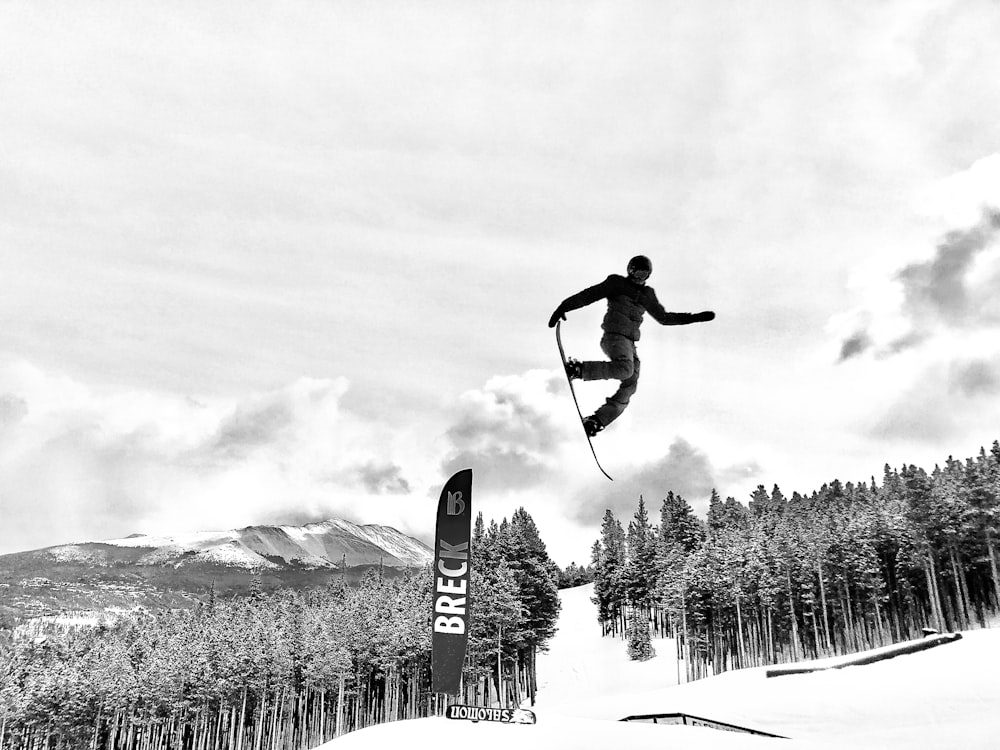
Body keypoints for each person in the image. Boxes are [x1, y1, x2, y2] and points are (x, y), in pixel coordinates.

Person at [548, 255, 714, 436]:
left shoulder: (647, 294)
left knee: (631, 383)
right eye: (636, 272)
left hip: (629, 343)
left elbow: (664, 318)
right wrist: (565, 306)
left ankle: (597, 421)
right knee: (625, 369)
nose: (639, 277)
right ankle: (578, 369)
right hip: (614, 337)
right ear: (630, 270)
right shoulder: (616, 283)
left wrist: (695, 317)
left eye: (644, 274)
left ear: (648, 275)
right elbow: (589, 295)